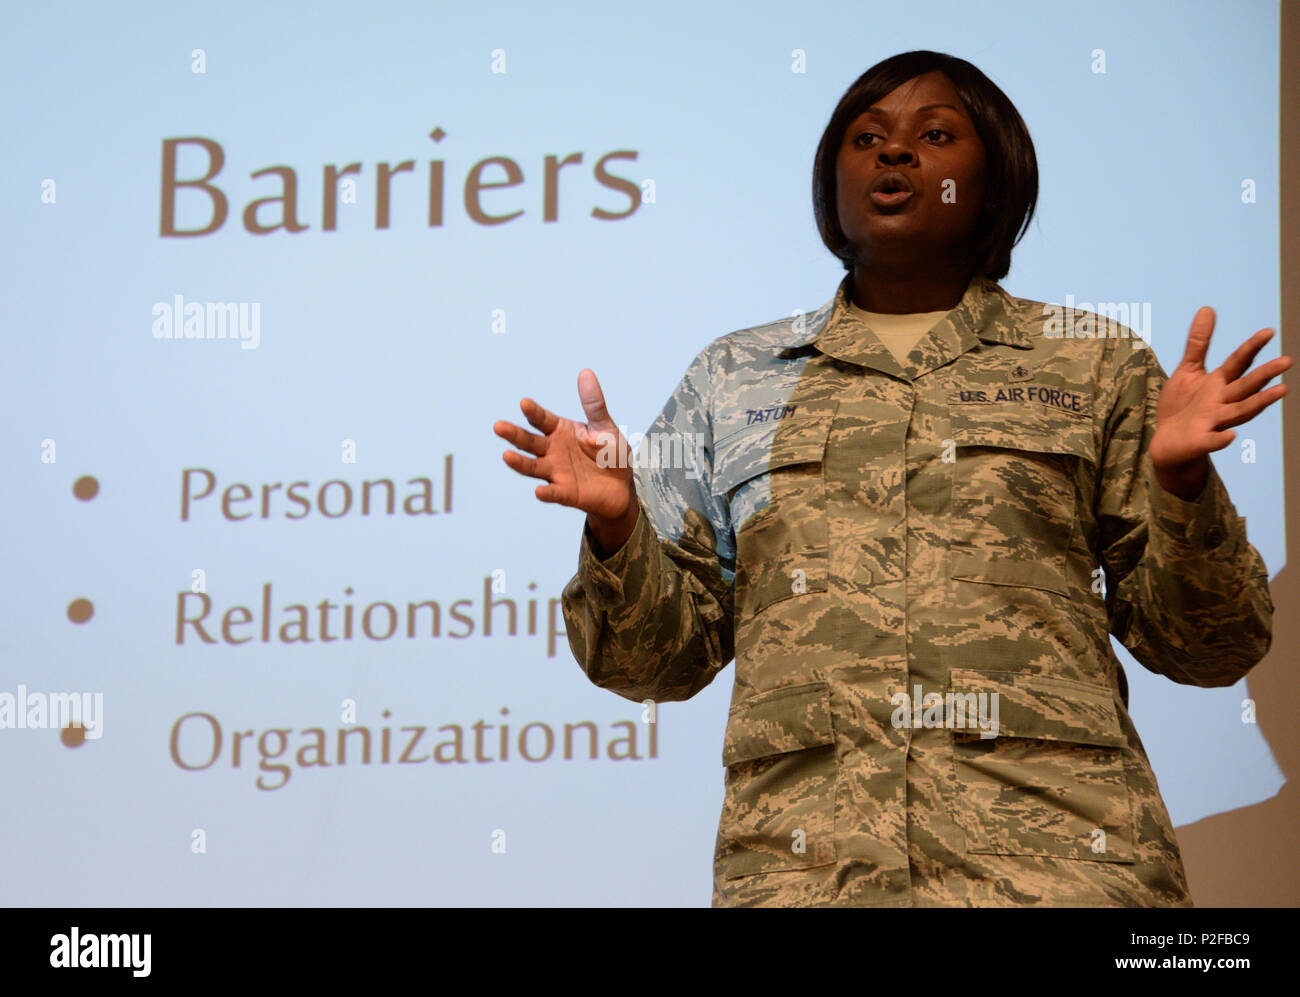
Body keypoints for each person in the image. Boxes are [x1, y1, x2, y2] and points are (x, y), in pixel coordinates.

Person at [492, 50, 1289, 907]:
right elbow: (648, 664)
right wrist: (618, 527)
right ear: (831, 185)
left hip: (1060, 869)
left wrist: (1180, 486)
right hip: (807, 877)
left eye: (933, 135)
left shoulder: (1092, 362)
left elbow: (1212, 647)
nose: (894, 154)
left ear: (995, 184)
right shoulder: (735, 377)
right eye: (866, 137)